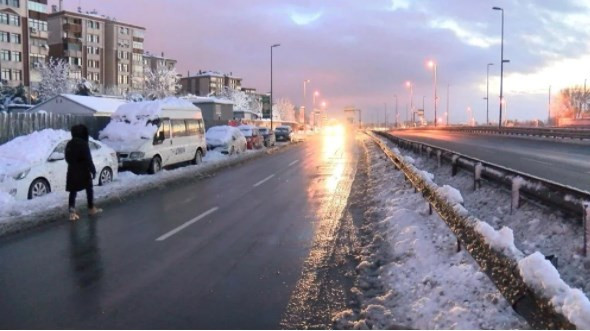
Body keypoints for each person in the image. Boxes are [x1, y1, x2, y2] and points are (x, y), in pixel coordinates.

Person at [65, 124, 102, 221]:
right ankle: (91, 208)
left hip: (72, 171)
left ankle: (72, 212)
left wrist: (73, 163)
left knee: (73, 191)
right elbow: (88, 159)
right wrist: (93, 170)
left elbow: (67, 157)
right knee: (89, 188)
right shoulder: (83, 144)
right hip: (83, 171)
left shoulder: (69, 144)